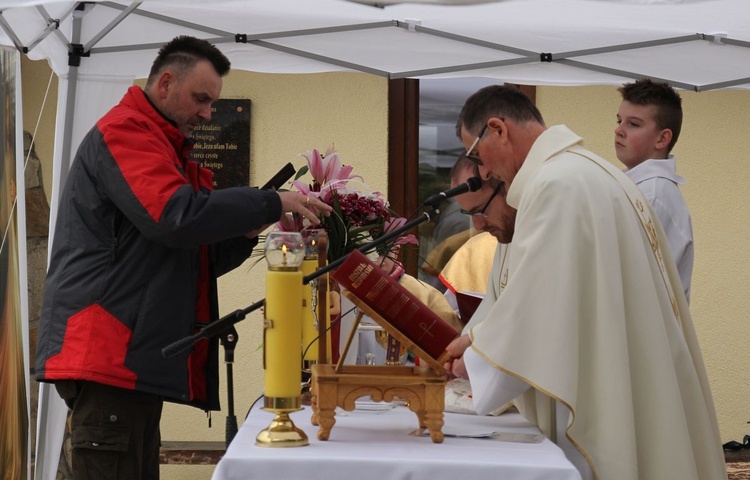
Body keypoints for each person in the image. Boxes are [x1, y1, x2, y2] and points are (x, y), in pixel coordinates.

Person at [34, 36, 331, 480]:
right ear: (165, 83)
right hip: (108, 354)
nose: (208, 113)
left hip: (129, 359)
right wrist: (270, 203)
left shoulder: (163, 147)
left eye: (213, 103)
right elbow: (173, 216)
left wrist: (249, 228)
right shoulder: (125, 132)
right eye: (201, 99)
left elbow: (194, 260)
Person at [444, 85, 726, 480]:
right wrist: (474, 341)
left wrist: (476, 357)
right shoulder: (572, 174)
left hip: (609, 381)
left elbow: (540, 307)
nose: (484, 171)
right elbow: (518, 291)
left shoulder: (558, 186)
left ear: (498, 130)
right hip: (620, 364)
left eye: (477, 154)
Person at [616, 78, 694, 301]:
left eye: (633, 124)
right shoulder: (638, 187)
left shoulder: (652, 194)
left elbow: (631, 280)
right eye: (619, 120)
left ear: (662, 139)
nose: (618, 130)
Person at [439, 155, 516, 328]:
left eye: (480, 210)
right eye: (469, 214)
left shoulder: (546, 238)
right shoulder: (488, 246)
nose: (478, 226)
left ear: (507, 187)